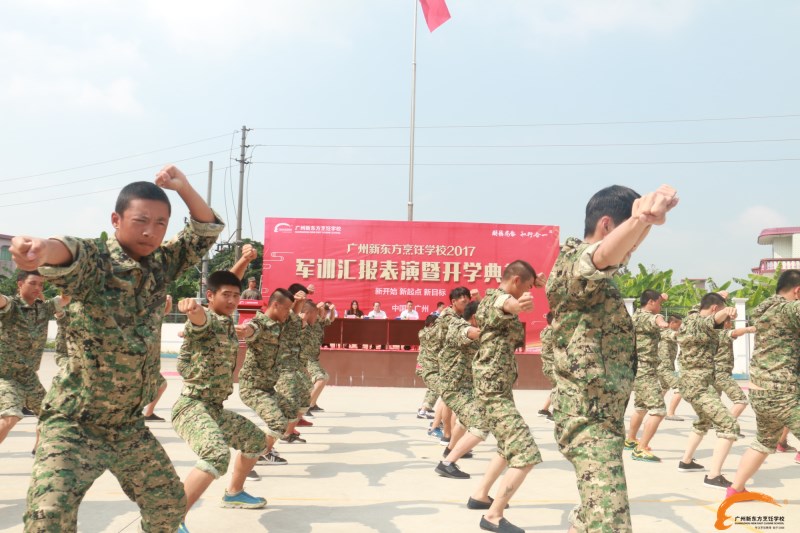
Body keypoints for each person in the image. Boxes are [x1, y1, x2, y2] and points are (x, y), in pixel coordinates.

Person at [13, 165, 223, 532]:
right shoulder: (98, 261)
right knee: (48, 520)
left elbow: (203, 230)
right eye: (141, 220)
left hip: (126, 426)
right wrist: (42, 249)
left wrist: (184, 187)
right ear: (116, 219)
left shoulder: (161, 264)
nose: (150, 231)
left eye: (161, 224)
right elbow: (68, 252)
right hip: (73, 424)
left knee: (168, 509)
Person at [546, 184, 678, 533]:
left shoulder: (602, 276)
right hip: (585, 420)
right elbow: (601, 257)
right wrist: (641, 218)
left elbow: (619, 251)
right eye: (626, 231)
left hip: (604, 415)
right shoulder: (572, 263)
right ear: (607, 225)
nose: (632, 246)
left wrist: (646, 223)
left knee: (592, 515)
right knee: (611, 523)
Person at [172, 271, 268, 532]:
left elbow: (225, 281)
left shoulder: (226, 321)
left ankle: (234, 494)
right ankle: (168, 522)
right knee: (216, 455)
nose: (233, 300)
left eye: (237, 296)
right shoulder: (209, 319)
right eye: (226, 295)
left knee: (256, 441)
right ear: (210, 296)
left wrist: (245, 261)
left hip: (214, 408)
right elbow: (199, 318)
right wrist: (191, 308)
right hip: (191, 407)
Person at [470, 261, 543, 533]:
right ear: (514, 281)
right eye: (525, 286)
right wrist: (518, 304)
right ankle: (493, 515)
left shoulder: (499, 295)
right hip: (492, 390)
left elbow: (513, 298)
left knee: (505, 445)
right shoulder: (496, 300)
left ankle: (480, 494)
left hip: (498, 386)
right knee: (525, 451)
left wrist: (535, 284)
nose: (528, 291)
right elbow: (506, 304)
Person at [728, 269, 800, 497]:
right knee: (763, 442)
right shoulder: (789, 309)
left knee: (763, 442)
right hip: (780, 392)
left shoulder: (765, 309)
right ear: (798, 291)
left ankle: (735, 490)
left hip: (759, 391)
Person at [676, 292, 740, 489]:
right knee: (729, 426)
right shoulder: (699, 321)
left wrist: (719, 301)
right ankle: (713, 476)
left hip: (696, 383)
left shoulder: (691, 317)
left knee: (703, 422)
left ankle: (686, 462)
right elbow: (712, 319)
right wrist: (726, 312)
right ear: (714, 308)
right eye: (720, 309)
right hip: (698, 386)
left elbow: (705, 311)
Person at [0, 271, 68, 446]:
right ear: (20, 284)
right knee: (11, 416)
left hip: (29, 377)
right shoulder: (11, 306)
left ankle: (39, 452)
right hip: (6, 376)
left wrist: (60, 276)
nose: (37, 288)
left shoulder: (44, 308)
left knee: (51, 417)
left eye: (41, 284)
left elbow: (66, 297)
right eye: (33, 283)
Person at [238, 288, 295, 479]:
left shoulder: (279, 324)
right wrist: (245, 330)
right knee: (278, 423)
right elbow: (251, 329)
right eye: (287, 309)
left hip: (267, 388)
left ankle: (264, 452)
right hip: (253, 388)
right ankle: (247, 464)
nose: (288, 313)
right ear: (275, 305)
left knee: (290, 411)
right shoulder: (260, 323)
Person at [434, 300, 485, 479]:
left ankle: (450, 451)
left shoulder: (477, 330)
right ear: (474, 317)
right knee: (481, 423)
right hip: (454, 387)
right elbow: (469, 332)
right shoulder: (461, 326)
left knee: (464, 420)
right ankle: (447, 463)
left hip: (467, 385)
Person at [625, 290, 670, 462]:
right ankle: (641, 448)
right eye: (658, 303)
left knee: (641, 407)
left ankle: (631, 439)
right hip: (645, 370)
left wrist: (661, 299)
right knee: (658, 410)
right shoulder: (648, 317)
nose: (660, 307)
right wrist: (663, 323)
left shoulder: (636, 314)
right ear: (650, 302)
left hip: (638, 368)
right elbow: (656, 319)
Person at [713, 317, 754, 421]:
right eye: (730, 322)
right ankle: (727, 426)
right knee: (741, 400)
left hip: (714, 372)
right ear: (725, 323)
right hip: (721, 373)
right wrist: (748, 329)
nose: (731, 324)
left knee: (714, 400)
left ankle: (712, 423)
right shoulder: (722, 333)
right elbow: (735, 332)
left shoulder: (711, 334)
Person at [142, 295, 174, 422]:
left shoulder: (155, 315)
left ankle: (148, 413)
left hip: (151, 356)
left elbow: (165, 312)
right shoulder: (143, 316)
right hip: (143, 355)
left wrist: (169, 303)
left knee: (161, 384)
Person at [307, 302, 334, 413]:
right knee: (320, 378)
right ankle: (305, 406)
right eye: (324, 310)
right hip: (307, 357)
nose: (325, 312)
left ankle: (312, 404)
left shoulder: (321, 321)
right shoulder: (313, 320)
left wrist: (332, 310)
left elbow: (331, 319)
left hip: (314, 357)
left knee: (325, 377)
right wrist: (317, 307)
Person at [659, 314, 685, 421]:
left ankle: (655, 409)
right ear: (672, 323)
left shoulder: (666, 332)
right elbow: (677, 335)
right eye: (678, 325)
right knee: (680, 388)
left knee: (664, 388)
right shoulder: (666, 332)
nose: (679, 327)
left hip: (666, 367)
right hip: (664, 367)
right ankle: (670, 413)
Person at [416, 315, 439, 420]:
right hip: (429, 365)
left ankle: (423, 407)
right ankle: (423, 411)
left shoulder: (422, 332)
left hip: (427, 364)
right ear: (431, 324)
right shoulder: (427, 333)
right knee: (436, 388)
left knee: (432, 387)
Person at [537, 312, 555, 421]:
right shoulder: (553, 332)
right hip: (552, 365)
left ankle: (544, 409)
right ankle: (555, 413)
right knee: (560, 389)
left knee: (556, 388)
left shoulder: (544, 331)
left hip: (547, 365)